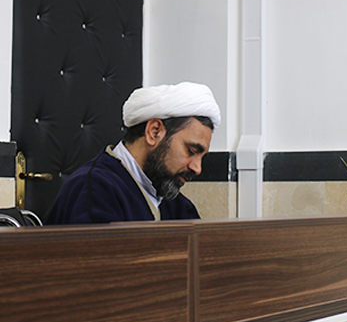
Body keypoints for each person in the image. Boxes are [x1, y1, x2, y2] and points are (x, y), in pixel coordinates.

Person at [45, 81, 221, 225]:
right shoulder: (93, 190)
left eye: (201, 157)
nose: (197, 168)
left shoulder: (176, 204)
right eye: (191, 151)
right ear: (154, 132)